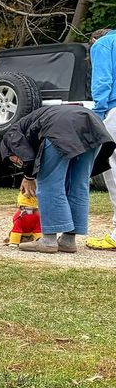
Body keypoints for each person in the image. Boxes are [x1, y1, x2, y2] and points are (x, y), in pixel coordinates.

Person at [1, 104, 113, 253]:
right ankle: (68, 241)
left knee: (49, 185)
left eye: (15, 161)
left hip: (60, 128)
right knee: (78, 185)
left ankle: (48, 241)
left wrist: (28, 176)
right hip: (93, 126)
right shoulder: (30, 123)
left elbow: (28, 158)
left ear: (9, 151)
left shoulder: (10, 135)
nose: (18, 162)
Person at [87, 27, 116, 250]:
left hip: (114, 110)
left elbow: (103, 81)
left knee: (112, 165)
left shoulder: (103, 44)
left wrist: (97, 114)